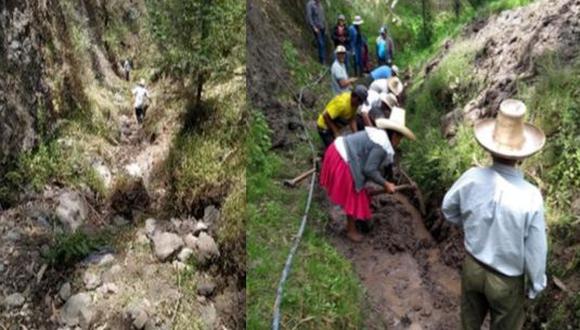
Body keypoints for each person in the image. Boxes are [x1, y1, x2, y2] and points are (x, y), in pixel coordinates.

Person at [442, 99, 547, 330]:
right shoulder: (530, 197)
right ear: (522, 156)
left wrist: (470, 224)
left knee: (469, 325)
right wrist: (535, 284)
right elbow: (535, 250)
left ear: (489, 148)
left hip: (473, 266)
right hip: (506, 280)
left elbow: (448, 208)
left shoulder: (471, 177)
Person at [320, 108, 416, 242]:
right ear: (394, 135)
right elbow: (369, 170)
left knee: (359, 189)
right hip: (342, 156)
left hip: (338, 149)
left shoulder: (380, 136)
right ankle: (351, 230)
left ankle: (357, 223)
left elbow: (366, 164)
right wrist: (386, 183)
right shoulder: (382, 145)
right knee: (355, 191)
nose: (400, 142)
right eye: (400, 138)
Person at [306, 0, 326, 64]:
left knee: (322, 44)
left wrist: (324, 26)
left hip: (322, 28)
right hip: (316, 28)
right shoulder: (310, 4)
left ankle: (322, 59)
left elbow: (322, 17)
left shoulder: (320, 5)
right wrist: (313, 27)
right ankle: (322, 61)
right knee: (321, 43)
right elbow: (309, 16)